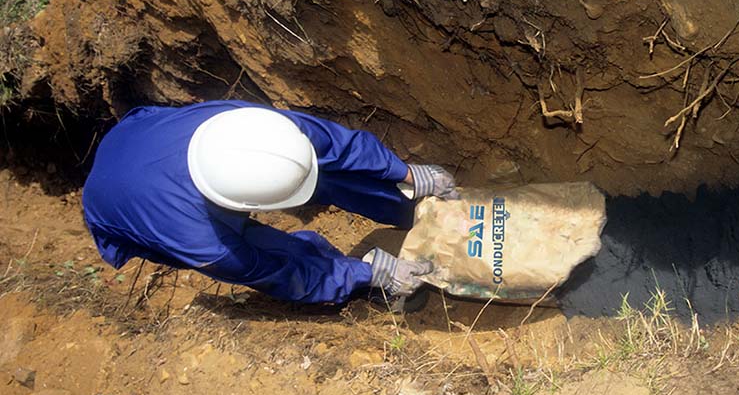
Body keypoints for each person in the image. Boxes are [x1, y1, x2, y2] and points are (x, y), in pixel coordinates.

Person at [82, 101, 458, 304]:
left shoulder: (245, 127)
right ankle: (362, 276)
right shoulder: (199, 238)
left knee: (320, 173)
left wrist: (405, 173)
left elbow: (338, 145)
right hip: (117, 205)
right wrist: (367, 274)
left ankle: (406, 212)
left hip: (137, 134)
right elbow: (278, 275)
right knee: (273, 250)